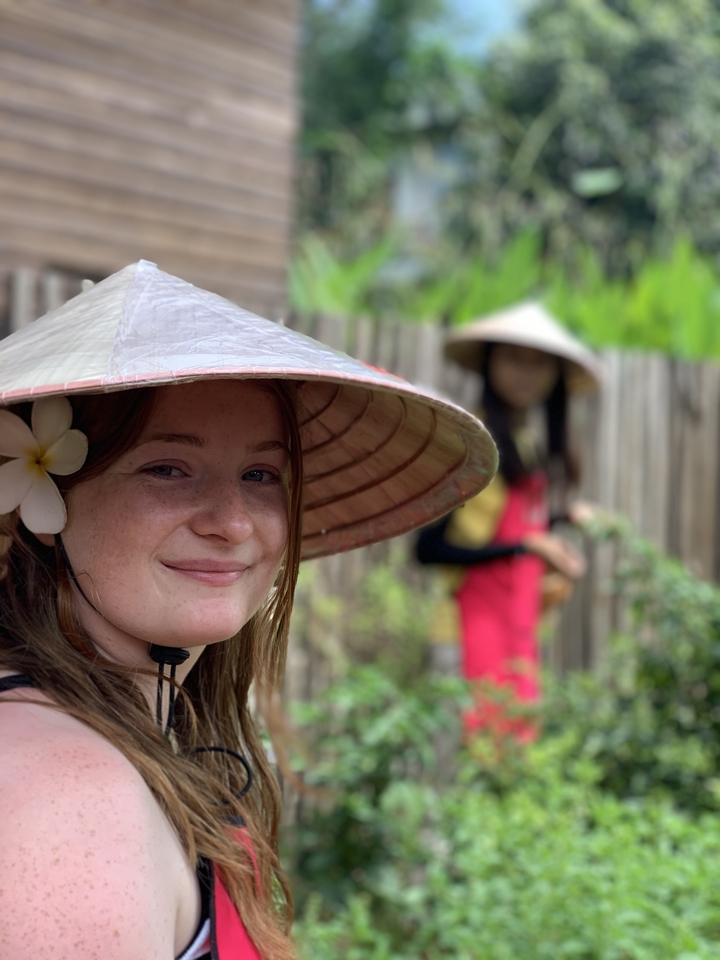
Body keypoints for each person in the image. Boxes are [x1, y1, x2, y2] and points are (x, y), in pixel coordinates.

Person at [0, 260, 497, 960]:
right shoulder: (67, 797)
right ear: (42, 500)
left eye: (260, 476)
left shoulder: (106, 740)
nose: (232, 522)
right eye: (168, 468)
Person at [416, 302, 601, 738]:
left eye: (539, 363)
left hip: (514, 628)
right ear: (489, 362)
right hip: (466, 631)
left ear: (555, 376)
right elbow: (428, 549)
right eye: (514, 358)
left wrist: (560, 520)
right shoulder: (471, 443)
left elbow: (506, 525)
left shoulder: (523, 440)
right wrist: (526, 547)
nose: (526, 372)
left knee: (511, 758)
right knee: (469, 762)